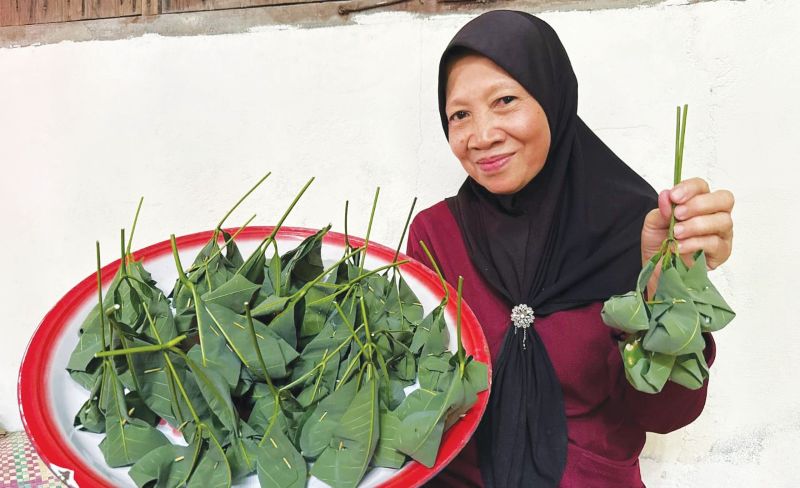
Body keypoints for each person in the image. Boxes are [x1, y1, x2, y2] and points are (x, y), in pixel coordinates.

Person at [405, 10, 735, 488]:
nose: (481, 136)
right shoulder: (436, 236)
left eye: (505, 100)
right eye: (460, 114)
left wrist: (666, 292)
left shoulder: (638, 228)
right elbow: (415, 402)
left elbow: (667, 413)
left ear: (553, 97)